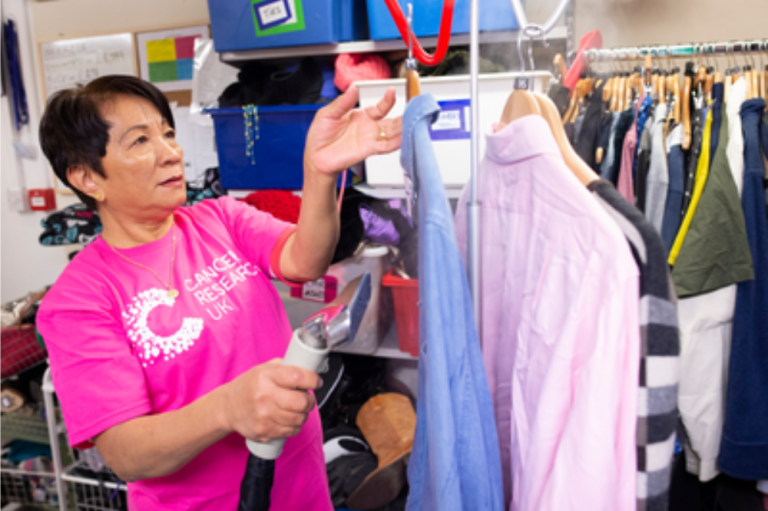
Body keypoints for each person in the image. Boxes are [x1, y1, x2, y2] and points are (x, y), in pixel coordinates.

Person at [36, 75, 401, 510]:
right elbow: (125, 452)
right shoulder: (79, 301)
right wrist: (227, 408)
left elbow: (306, 262)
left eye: (168, 134)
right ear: (86, 177)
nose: (171, 152)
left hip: (300, 484)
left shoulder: (220, 219)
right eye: (139, 141)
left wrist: (319, 173)